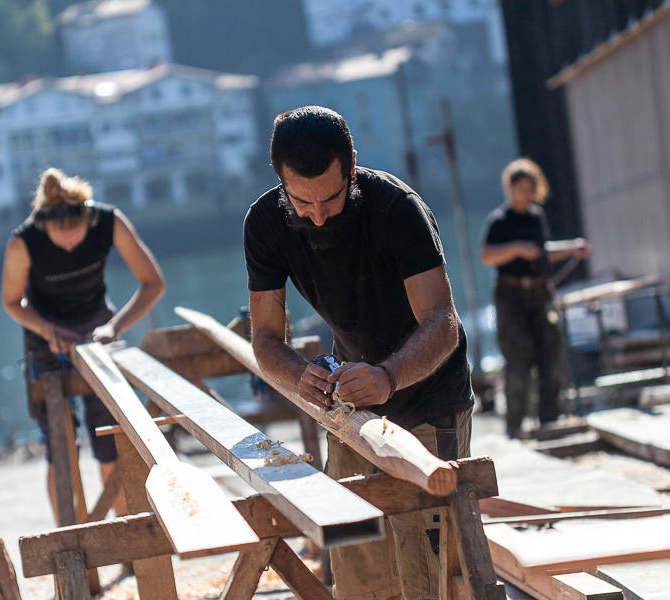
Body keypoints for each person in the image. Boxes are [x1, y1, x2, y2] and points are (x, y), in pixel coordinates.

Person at [244, 105, 473, 600]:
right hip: (350, 407)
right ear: (279, 177)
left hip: (428, 395)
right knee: (357, 569)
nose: (318, 214)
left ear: (351, 167)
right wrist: (298, 374)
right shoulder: (264, 223)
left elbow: (443, 322)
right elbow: (264, 340)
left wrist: (389, 375)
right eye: (301, 201)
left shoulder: (396, 209)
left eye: (331, 197)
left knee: (432, 575)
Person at [2, 168, 165, 523]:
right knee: (61, 449)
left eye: (76, 238)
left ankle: (126, 537)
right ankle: (69, 541)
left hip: (97, 332)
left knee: (111, 442)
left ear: (88, 218)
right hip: (46, 339)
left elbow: (153, 282)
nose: (71, 247)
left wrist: (115, 326)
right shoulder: (23, 242)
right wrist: (48, 330)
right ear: (44, 226)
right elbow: (12, 301)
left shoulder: (109, 222)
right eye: (62, 243)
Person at [480, 158, 592, 438]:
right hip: (511, 295)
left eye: (530, 188)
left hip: (540, 293)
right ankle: (515, 427)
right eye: (520, 188)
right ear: (510, 188)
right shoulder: (500, 220)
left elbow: (543, 251)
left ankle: (549, 422)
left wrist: (572, 248)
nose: (525, 194)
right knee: (518, 362)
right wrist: (517, 248)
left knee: (549, 358)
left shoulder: (537, 217)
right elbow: (486, 255)